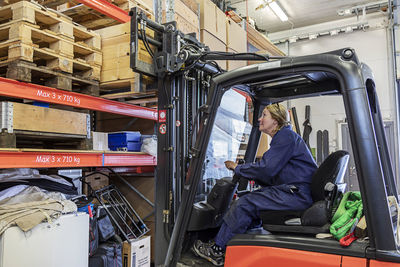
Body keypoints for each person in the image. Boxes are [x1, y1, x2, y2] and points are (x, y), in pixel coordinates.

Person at [192, 103, 318, 266]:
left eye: (264, 115)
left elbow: (267, 169)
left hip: (296, 194)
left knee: (244, 203)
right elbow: (272, 173)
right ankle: (235, 245)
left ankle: (218, 250)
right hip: (295, 191)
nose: (259, 118)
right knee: (250, 199)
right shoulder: (285, 138)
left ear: (276, 120)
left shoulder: (285, 137)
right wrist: (248, 171)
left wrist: (239, 168)